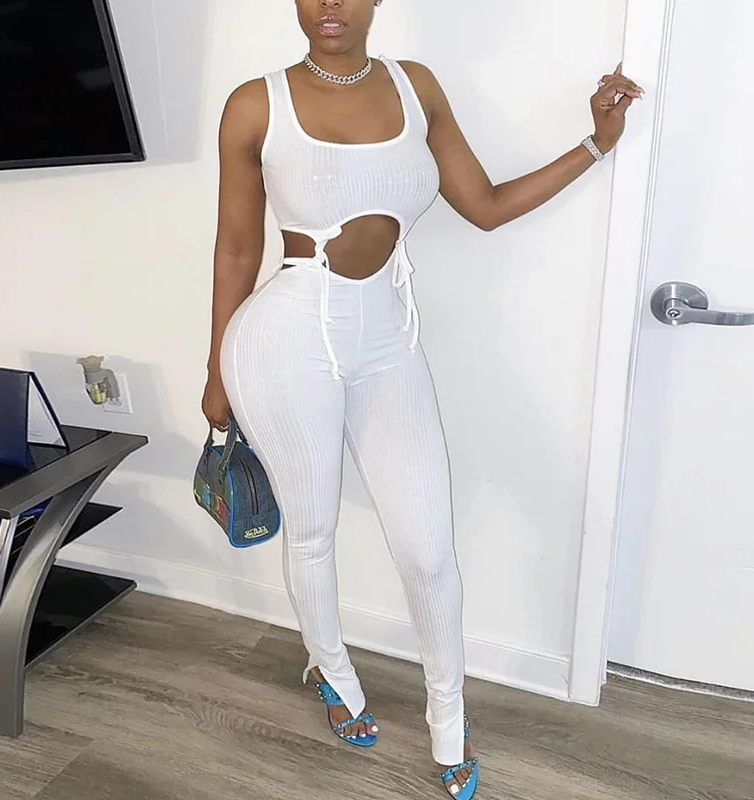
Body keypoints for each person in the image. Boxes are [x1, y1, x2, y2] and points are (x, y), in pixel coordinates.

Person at [202, 1, 641, 796]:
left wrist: (595, 144)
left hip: (386, 339)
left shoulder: (417, 87)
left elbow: (486, 206)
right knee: (312, 529)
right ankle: (332, 671)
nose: (328, 4)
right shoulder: (255, 103)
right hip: (284, 339)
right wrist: (214, 374)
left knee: (428, 549)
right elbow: (237, 247)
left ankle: (449, 713)